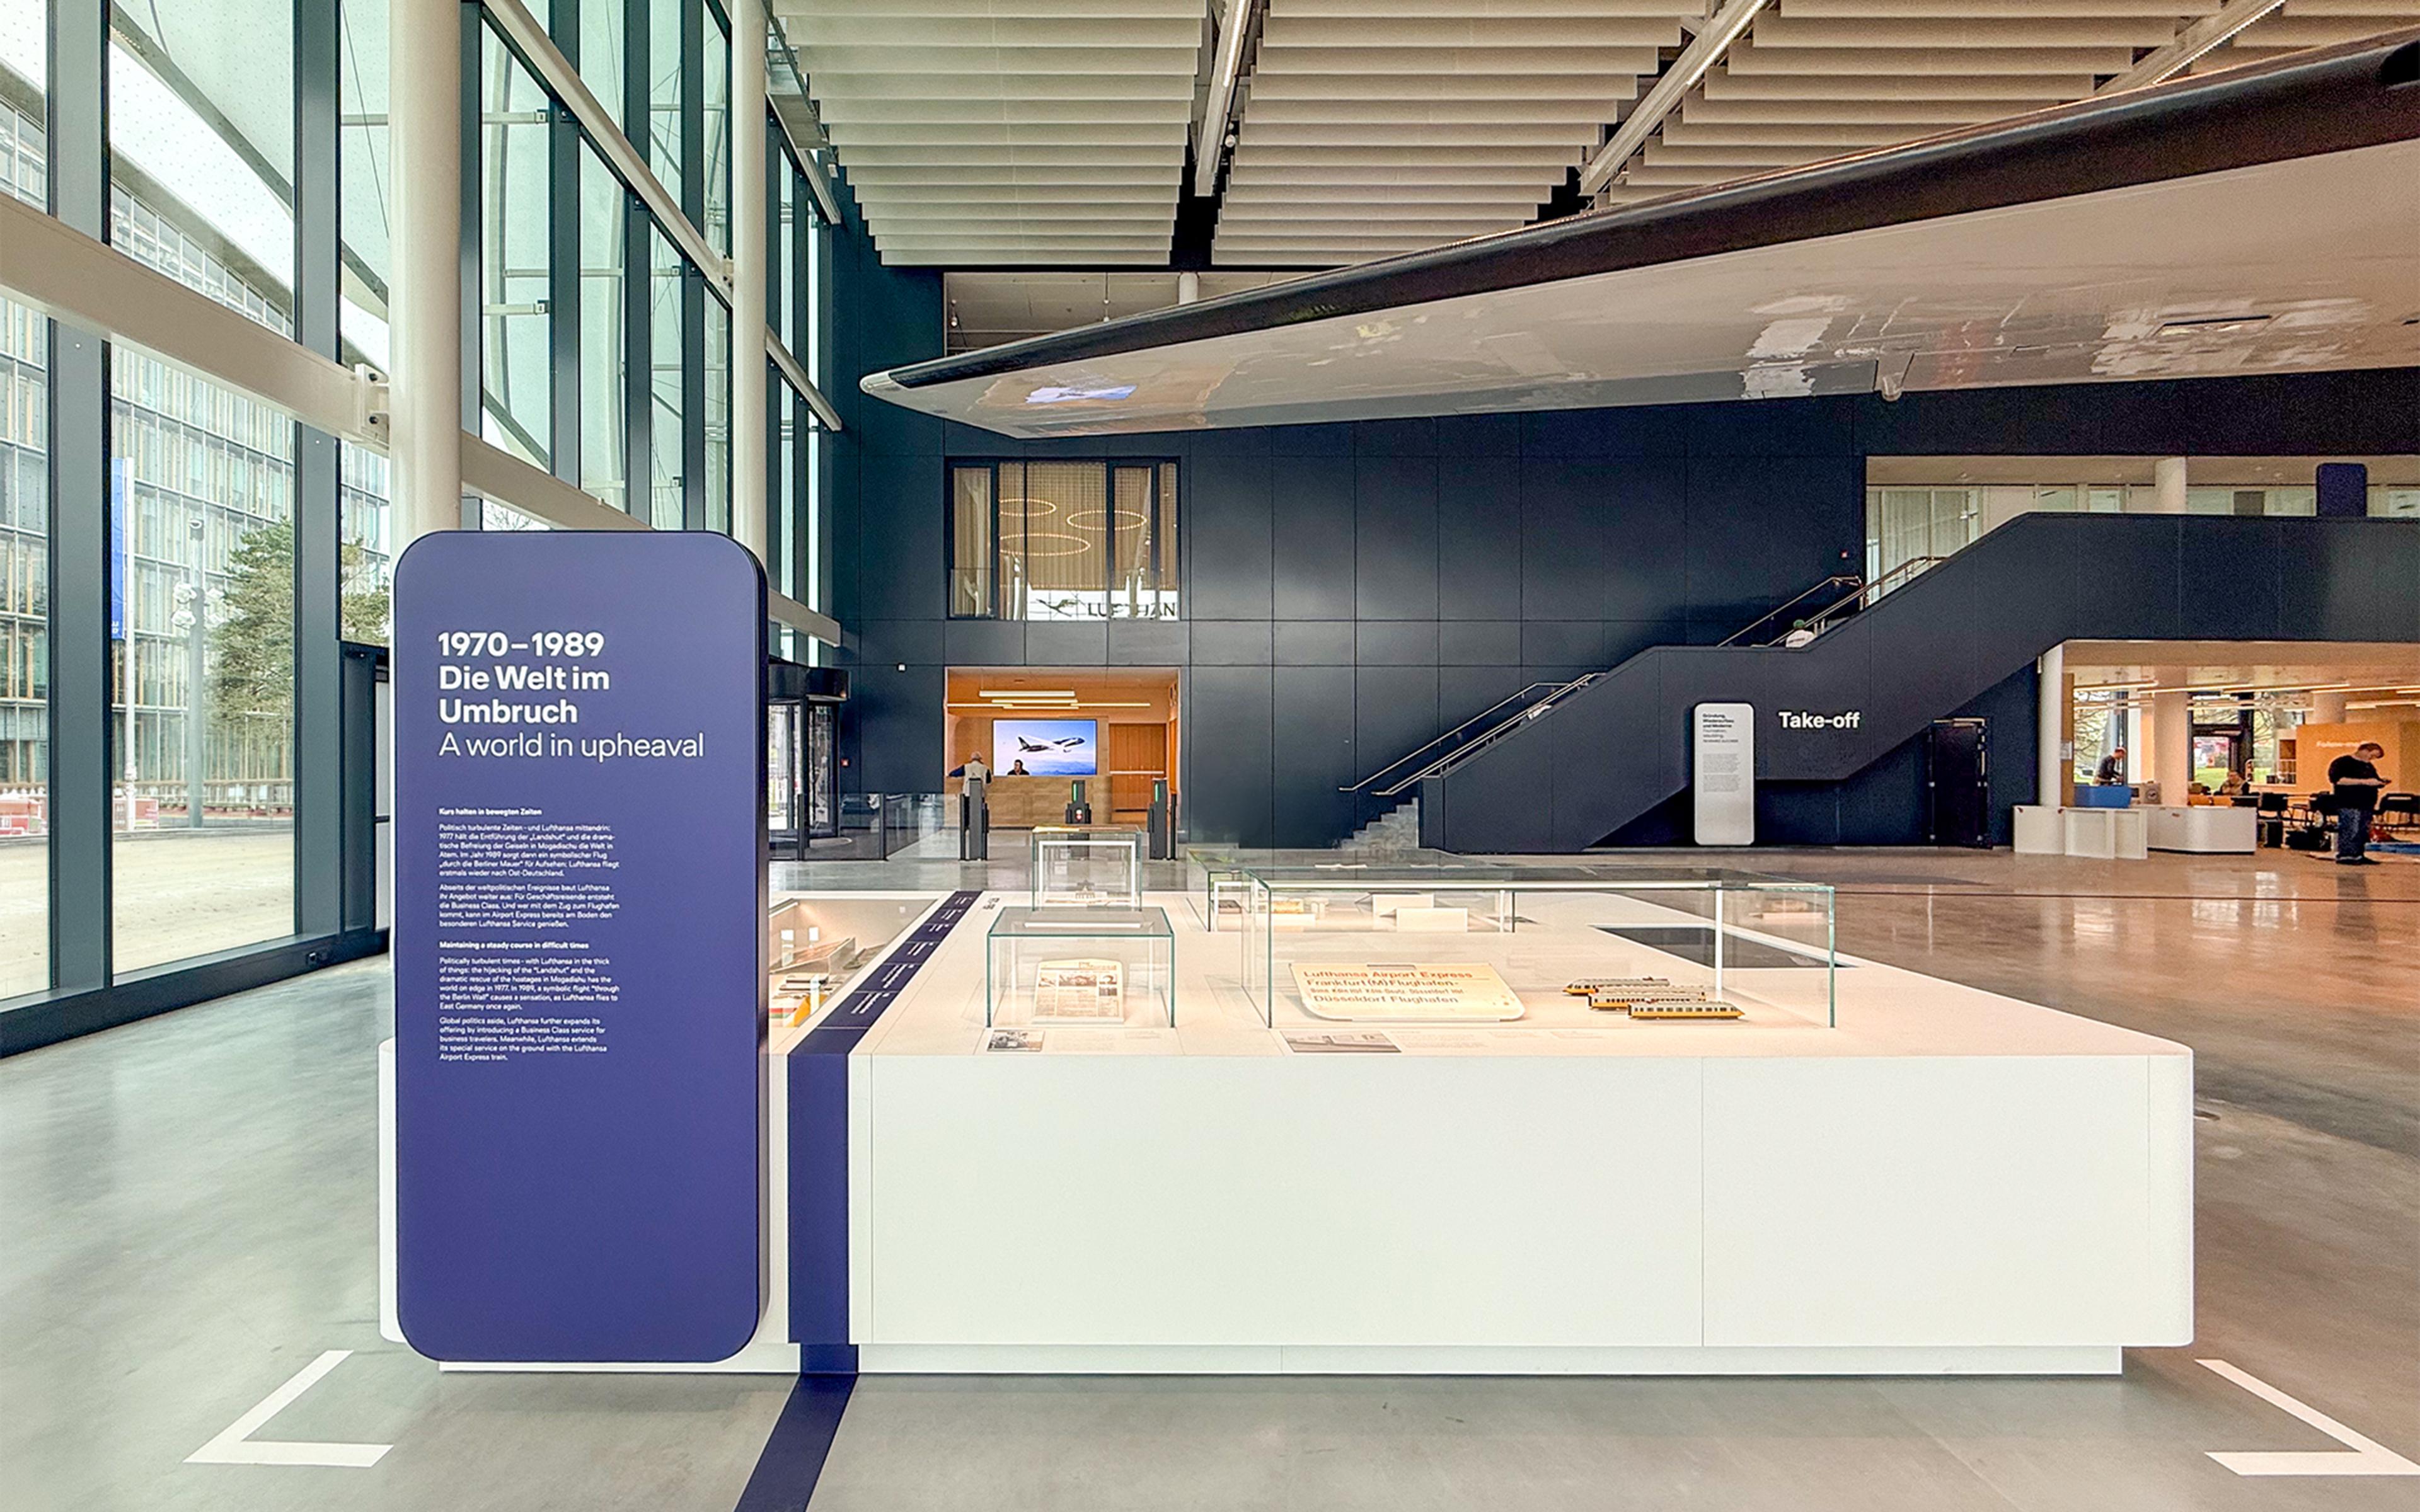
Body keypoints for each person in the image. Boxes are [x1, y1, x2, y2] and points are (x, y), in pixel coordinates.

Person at [2327, 741, 2388, 865]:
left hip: (2366, 804)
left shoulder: (2368, 766)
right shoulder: (2342, 763)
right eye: (2371, 756)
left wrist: (2380, 782)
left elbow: (2373, 780)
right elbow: (2338, 780)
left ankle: (2358, 854)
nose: (2372, 759)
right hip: (2349, 802)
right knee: (2350, 829)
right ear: (2364, 751)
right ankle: (2346, 855)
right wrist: (2365, 782)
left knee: (2362, 831)